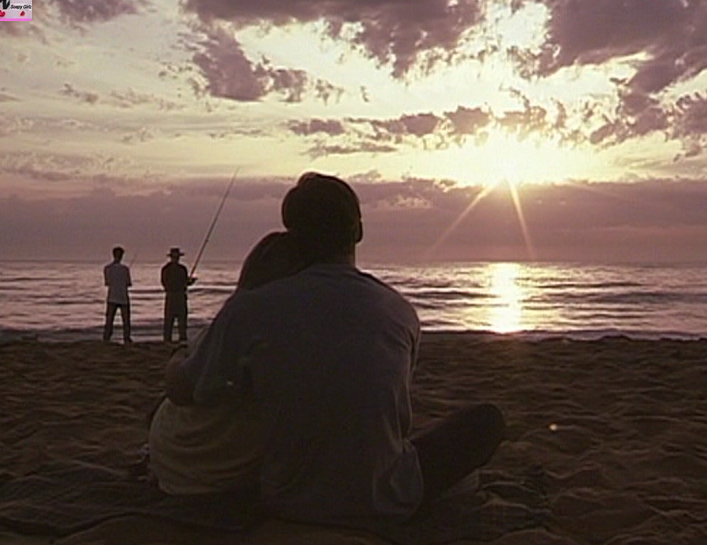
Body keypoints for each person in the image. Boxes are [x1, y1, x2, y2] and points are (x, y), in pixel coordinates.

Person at [161, 172, 505, 524]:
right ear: (358, 231)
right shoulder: (399, 311)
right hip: (389, 497)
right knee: (486, 422)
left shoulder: (249, 309)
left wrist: (178, 359)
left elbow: (184, 389)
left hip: (287, 499)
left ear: (293, 235)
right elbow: (394, 415)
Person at [146, 231, 309, 494]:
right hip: (235, 462)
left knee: (179, 343)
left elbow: (179, 388)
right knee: (176, 326)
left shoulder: (240, 317)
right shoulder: (298, 328)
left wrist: (177, 357)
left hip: (194, 464)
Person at [161, 247, 196, 344]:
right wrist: (190, 282)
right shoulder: (181, 269)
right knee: (178, 321)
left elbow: (164, 283)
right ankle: (180, 340)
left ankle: (169, 340)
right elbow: (185, 283)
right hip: (178, 296)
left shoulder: (166, 269)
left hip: (172, 296)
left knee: (172, 321)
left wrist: (188, 282)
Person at [103, 245, 132, 344]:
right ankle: (126, 338)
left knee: (109, 319)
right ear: (122, 256)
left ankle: (107, 337)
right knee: (126, 320)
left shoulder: (107, 268)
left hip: (112, 297)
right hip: (123, 297)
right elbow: (128, 283)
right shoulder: (125, 269)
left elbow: (107, 283)